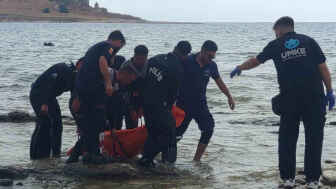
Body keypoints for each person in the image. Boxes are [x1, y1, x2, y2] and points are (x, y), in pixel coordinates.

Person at [230, 16, 335, 189]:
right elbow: (322, 68)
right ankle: (313, 181)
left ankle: (288, 179)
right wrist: (330, 91)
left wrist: (240, 67)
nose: (275, 34)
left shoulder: (276, 44)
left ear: (279, 29)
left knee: (287, 139)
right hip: (314, 97)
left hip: (289, 99)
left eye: (275, 32)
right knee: (314, 139)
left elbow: (255, 61)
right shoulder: (309, 41)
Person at [176, 40, 235, 162]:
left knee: (208, 128)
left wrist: (229, 96)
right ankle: (162, 155)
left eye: (213, 57)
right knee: (176, 135)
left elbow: (219, 82)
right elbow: (172, 77)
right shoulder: (187, 61)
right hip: (183, 105)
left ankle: (196, 160)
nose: (211, 59)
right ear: (202, 51)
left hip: (200, 104)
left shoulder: (212, 65)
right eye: (209, 56)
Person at [67, 63, 137, 163]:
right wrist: (77, 96)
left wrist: (113, 126)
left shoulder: (118, 85)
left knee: (99, 127)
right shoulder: (106, 73)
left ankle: (90, 155)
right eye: (130, 80)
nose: (129, 83)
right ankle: (75, 158)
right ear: (124, 74)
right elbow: (82, 78)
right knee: (89, 131)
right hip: (79, 102)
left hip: (95, 106)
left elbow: (113, 107)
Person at [137, 41, 192, 167]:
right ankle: (155, 160)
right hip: (159, 105)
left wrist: (139, 102)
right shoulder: (177, 69)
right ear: (185, 55)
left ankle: (147, 160)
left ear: (175, 48)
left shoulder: (156, 58)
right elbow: (173, 94)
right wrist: (168, 109)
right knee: (169, 134)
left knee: (153, 132)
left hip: (146, 103)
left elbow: (142, 79)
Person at [75, 30, 126, 164]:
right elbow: (102, 61)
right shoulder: (107, 47)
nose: (118, 50)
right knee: (98, 120)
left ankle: (88, 153)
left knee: (90, 121)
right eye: (120, 47)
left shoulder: (96, 47)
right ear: (117, 41)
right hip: (92, 88)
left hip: (83, 87)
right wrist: (109, 83)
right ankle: (93, 153)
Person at [30, 62, 77, 159]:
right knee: (44, 124)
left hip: (51, 97)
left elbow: (74, 100)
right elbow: (49, 84)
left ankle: (56, 154)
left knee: (58, 124)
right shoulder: (63, 68)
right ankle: (37, 155)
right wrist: (44, 103)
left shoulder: (76, 78)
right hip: (39, 94)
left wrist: (77, 119)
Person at [119, 45, 149, 129]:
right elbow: (123, 90)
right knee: (131, 124)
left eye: (143, 59)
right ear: (134, 56)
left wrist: (142, 106)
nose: (141, 62)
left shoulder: (149, 65)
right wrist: (131, 109)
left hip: (144, 96)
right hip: (128, 97)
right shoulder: (125, 66)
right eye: (139, 59)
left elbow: (150, 87)